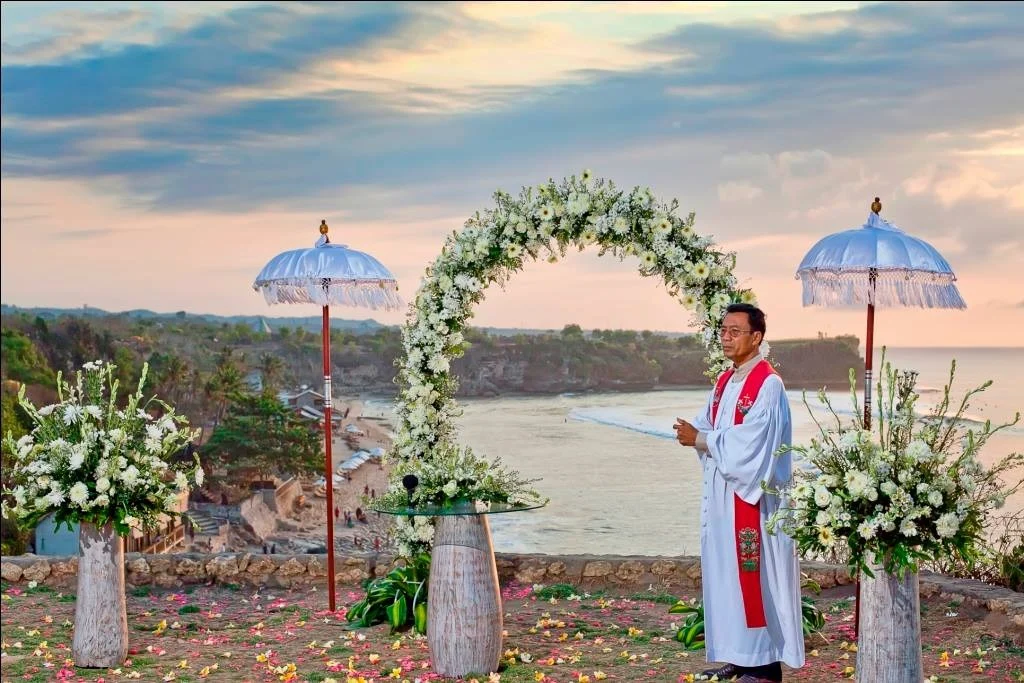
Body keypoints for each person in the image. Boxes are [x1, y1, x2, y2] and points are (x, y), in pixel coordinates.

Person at [673, 303, 804, 683]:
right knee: (728, 579)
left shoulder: (768, 384)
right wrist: (695, 431)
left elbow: (753, 443)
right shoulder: (725, 381)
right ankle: (740, 657)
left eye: (735, 331)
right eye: (723, 331)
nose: (726, 338)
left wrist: (702, 438)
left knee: (754, 580)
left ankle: (764, 667)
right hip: (725, 500)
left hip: (753, 501)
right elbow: (711, 423)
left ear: (756, 337)